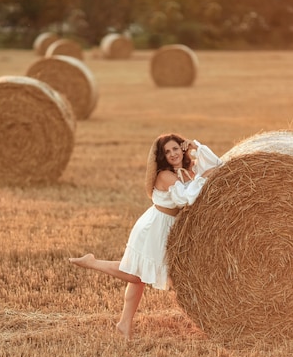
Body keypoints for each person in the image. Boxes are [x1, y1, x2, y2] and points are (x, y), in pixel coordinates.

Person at [69, 133, 222, 339]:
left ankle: (124, 323)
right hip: (154, 228)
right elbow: (187, 197)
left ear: (182, 148)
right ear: (162, 157)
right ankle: (93, 262)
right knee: (137, 275)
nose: (173, 154)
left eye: (176, 148)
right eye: (167, 152)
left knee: (138, 279)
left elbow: (217, 164)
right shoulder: (165, 176)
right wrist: (202, 177)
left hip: (168, 226)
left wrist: (195, 146)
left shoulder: (188, 169)